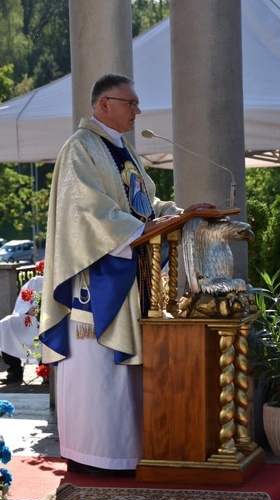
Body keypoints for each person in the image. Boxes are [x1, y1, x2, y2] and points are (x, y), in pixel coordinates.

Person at [39, 73, 213, 475]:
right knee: (99, 377)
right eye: (130, 103)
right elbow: (87, 212)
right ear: (104, 105)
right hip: (97, 283)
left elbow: (144, 205)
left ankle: (128, 454)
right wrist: (141, 230)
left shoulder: (122, 150)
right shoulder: (79, 149)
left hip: (131, 276)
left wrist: (180, 214)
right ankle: (95, 457)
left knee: (126, 381)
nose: (137, 111)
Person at [0, 261, 44, 383]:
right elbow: (23, 301)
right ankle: (14, 370)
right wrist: (27, 309)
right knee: (5, 325)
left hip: (52, 320)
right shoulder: (35, 282)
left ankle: (46, 369)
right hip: (31, 318)